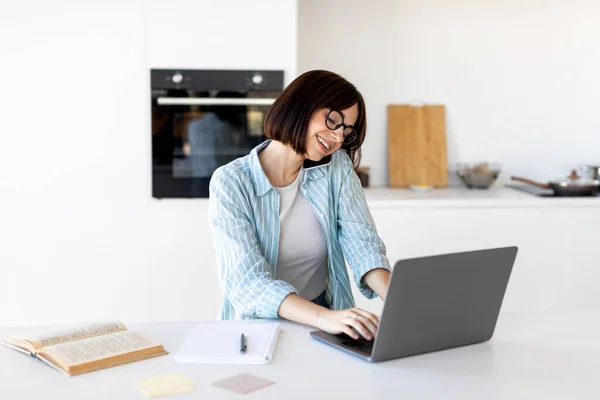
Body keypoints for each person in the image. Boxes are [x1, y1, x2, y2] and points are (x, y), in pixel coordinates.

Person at [208, 70, 392, 341]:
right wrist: (323, 317)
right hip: (257, 330)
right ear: (301, 104)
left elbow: (362, 244)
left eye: (346, 131)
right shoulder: (231, 182)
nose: (338, 137)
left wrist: (398, 300)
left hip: (324, 319)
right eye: (333, 120)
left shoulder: (336, 168)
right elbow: (247, 283)